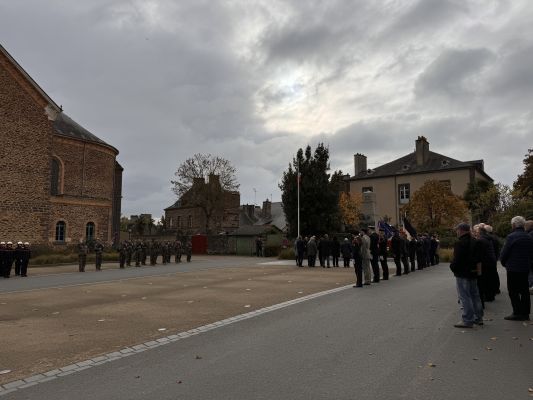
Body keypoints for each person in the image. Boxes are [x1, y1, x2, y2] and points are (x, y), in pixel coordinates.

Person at [450, 222, 483, 328]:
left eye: (457, 230)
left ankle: (468, 319)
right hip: (473, 272)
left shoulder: (460, 243)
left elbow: (457, 259)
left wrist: (452, 267)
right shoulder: (476, 241)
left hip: (462, 273)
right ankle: (478, 317)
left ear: (461, 230)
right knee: (475, 295)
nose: (456, 232)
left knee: (465, 296)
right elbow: (479, 258)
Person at [499, 216, 533, 321]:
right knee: (524, 291)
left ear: (513, 225)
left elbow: (504, 253)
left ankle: (517, 312)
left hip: (513, 268)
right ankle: (525, 313)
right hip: (525, 268)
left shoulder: (511, 237)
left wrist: (504, 263)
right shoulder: (528, 237)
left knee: (513, 291)